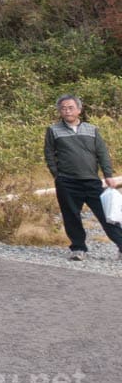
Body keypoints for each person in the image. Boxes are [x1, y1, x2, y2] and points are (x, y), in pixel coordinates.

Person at [44, 95, 122, 260]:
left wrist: (108, 175)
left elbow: (102, 154)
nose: (67, 111)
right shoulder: (53, 130)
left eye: (71, 107)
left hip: (92, 181)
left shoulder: (92, 129)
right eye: (63, 108)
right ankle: (79, 249)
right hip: (67, 182)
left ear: (79, 110)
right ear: (60, 111)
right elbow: (49, 154)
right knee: (72, 216)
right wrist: (57, 175)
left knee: (107, 215)